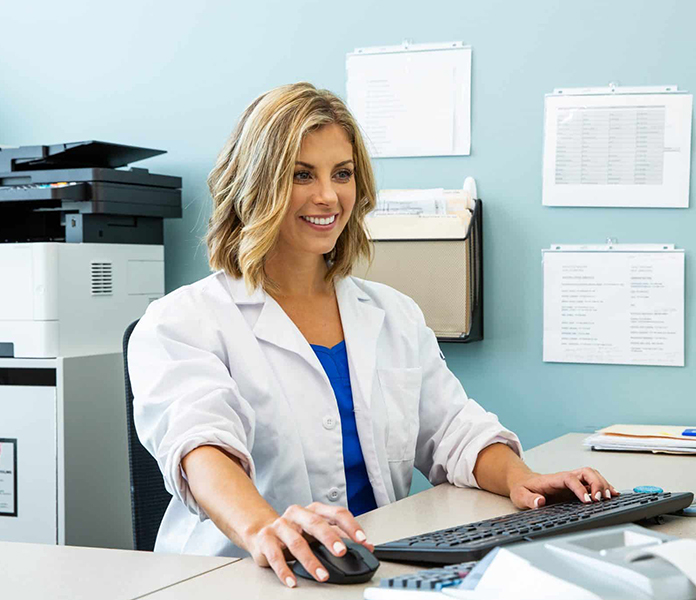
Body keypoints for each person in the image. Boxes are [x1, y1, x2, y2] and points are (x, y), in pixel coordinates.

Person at [128, 82, 618, 589]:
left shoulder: (392, 313)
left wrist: (523, 479)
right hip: (240, 575)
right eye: (301, 175)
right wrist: (263, 528)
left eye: (342, 174)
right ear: (256, 184)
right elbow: (200, 447)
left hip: (372, 568)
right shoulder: (182, 321)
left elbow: (453, 429)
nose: (327, 195)